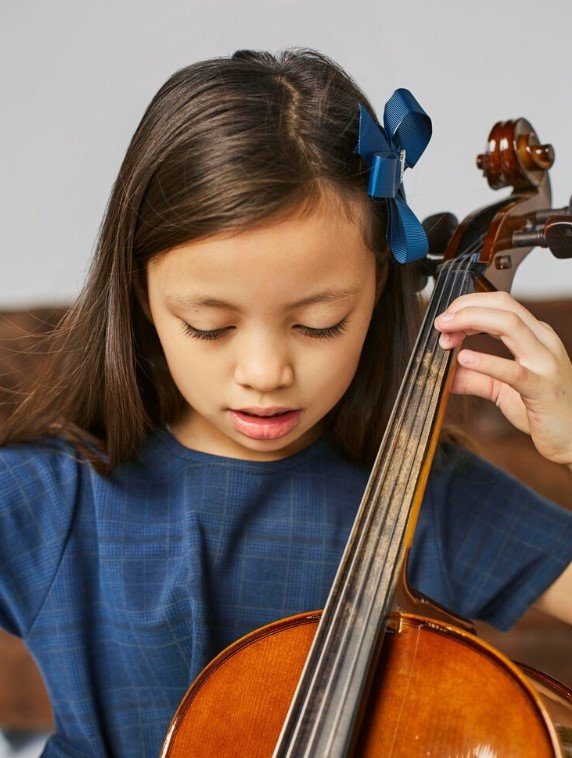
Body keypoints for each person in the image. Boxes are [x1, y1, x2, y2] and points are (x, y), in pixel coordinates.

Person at [0, 47, 570, 757]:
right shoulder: (50, 499)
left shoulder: (428, 497)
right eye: (209, 326)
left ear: (380, 295)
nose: (265, 372)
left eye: (319, 323)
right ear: (141, 299)